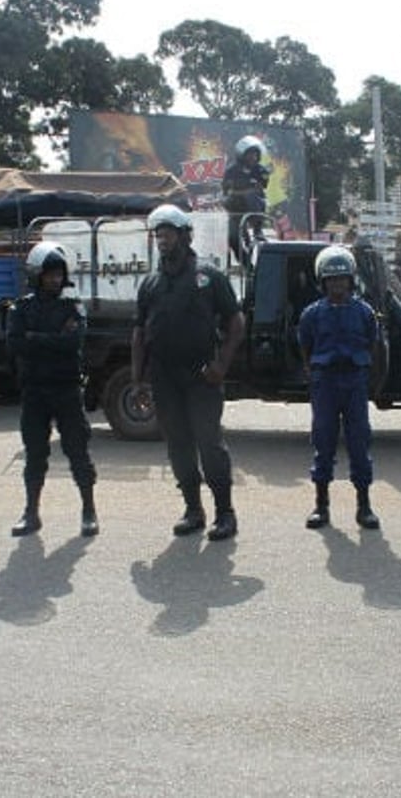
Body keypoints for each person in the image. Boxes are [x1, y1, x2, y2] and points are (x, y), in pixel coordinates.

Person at [131, 204, 245, 541]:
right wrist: (138, 380)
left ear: (184, 235)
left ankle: (225, 513)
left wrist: (222, 364)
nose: (162, 239)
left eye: (168, 233)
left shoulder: (210, 277)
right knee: (178, 446)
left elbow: (236, 321)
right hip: (164, 378)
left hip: (201, 377)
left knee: (209, 445)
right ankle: (193, 510)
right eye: (158, 234)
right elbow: (139, 332)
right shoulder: (150, 283)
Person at [6, 241, 99, 538]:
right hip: (34, 393)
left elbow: (73, 343)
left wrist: (36, 338)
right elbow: (14, 344)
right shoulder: (21, 308)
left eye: (58, 274)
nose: (55, 279)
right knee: (35, 453)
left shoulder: (72, 306)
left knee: (77, 451)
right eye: (49, 274)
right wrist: (50, 339)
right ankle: (31, 512)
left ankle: (89, 510)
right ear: (37, 275)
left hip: (67, 390)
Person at [297, 245, 381, 531]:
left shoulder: (364, 312)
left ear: (351, 280)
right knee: (323, 442)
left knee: (359, 442)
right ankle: (321, 506)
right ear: (322, 282)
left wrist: (361, 371)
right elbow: (305, 346)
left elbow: (372, 342)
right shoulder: (312, 314)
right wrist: (315, 372)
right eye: (332, 280)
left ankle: (364, 506)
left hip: (354, 381)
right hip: (326, 383)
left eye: (342, 279)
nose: (337, 285)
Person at [221, 134, 270, 264]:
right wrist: (244, 190)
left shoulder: (261, 170)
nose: (253, 157)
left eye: (255, 154)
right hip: (235, 209)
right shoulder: (231, 170)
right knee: (232, 239)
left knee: (254, 197)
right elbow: (228, 192)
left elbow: (259, 190)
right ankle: (247, 264)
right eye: (250, 154)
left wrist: (243, 191)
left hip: (254, 208)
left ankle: (257, 229)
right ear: (242, 154)